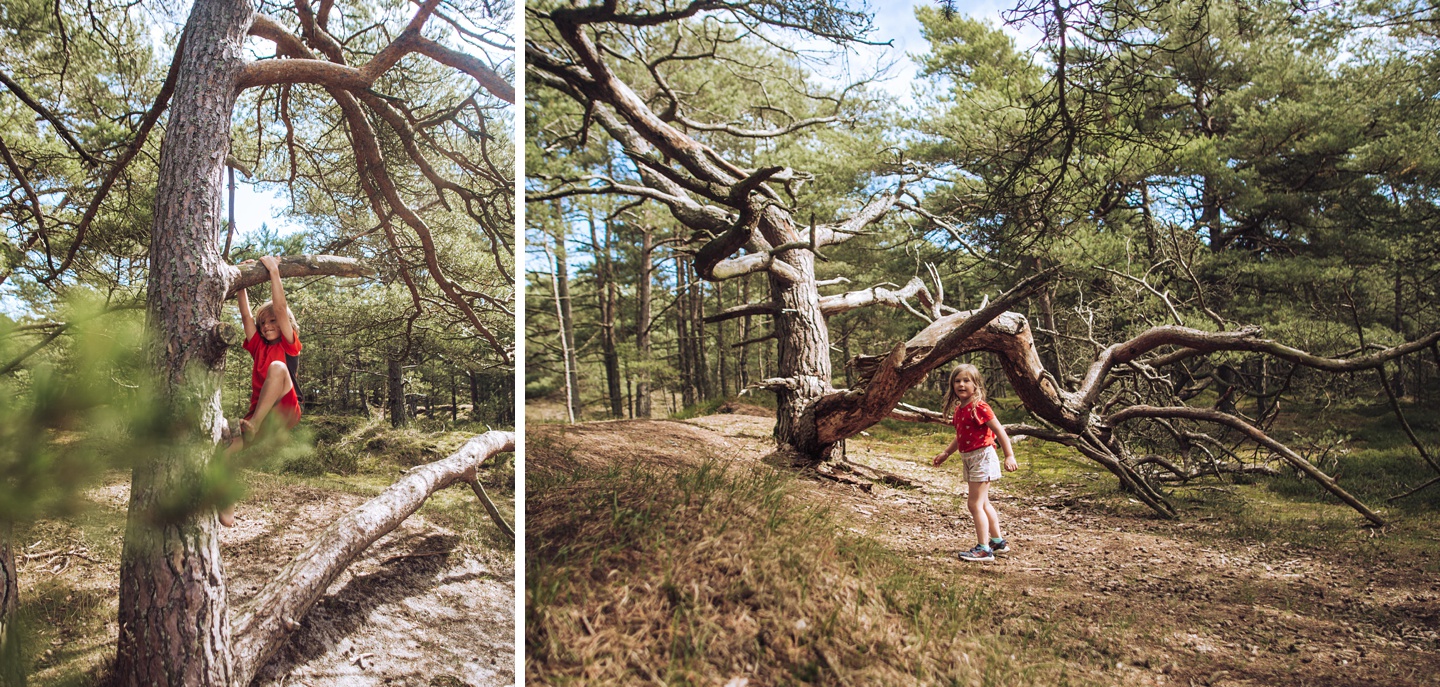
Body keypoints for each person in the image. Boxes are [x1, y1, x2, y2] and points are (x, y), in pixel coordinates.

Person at [223, 255, 302, 526]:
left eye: (272, 322)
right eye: (263, 323)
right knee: (227, 452)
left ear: (285, 325)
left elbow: (280, 309)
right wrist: (242, 280)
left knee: (278, 367)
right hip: (260, 414)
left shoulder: (290, 345)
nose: (268, 326)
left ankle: (253, 424)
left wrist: (274, 273)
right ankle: (227, 509)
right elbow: (245, 314)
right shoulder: (257, 346)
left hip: (286, 407)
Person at [932, 363, 1018, 562]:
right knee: (984, 503)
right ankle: (997, 542)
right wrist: (946, 452)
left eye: (966, 380)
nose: (961, 384)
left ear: (976, 384)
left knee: (974, 504)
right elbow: (960, 436)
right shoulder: (960, 409)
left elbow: (1000, 431)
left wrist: (1009, 455)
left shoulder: (979, 407)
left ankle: (984, 549)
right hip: (969, 458)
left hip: (983, 458)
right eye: (957, 381)